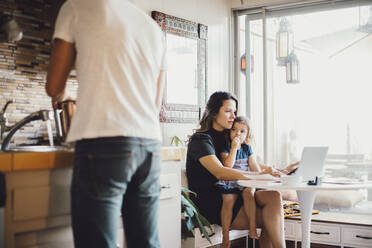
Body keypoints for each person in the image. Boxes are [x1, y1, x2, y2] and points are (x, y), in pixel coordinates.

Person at [45, 1, 166, 248]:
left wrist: (64, 96)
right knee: (145, 243)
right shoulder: (151, 26)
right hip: (150, 146)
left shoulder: (76, 7)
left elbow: (54, 86)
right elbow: (154, 104)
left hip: (104, 142)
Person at [186, 91, 286, 248]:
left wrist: (271, 170)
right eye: (228, 111)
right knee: (272, 217)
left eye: (234, 111)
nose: (233, 116)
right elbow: (220, 172)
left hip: (235, 192)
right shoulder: (201, 141)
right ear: (214, 112)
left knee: (274, 196)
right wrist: (258, 175)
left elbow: (247, 161)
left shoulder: (229, 137)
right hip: (215, 201)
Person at [216, 116, 261, 245]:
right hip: (231, 180)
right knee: (228, 200)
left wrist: (263, 174)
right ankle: (225, 236)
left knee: (249, 193)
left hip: (245, 181)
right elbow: (227, 166)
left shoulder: (247, 149)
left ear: (247, 135)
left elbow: (254, 167)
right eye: (234, 130)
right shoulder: (226, 148)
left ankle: (252, 227)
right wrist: (234, 149)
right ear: (229, 131)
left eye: (242, 131)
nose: (237, 134)